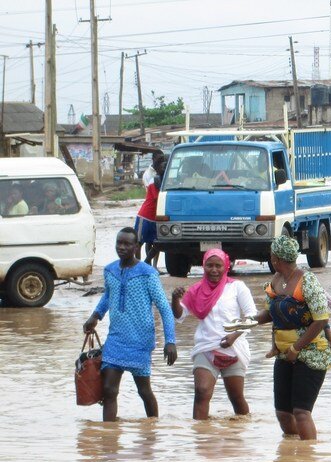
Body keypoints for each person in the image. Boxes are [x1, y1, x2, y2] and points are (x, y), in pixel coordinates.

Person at [83, 227, 177, 422]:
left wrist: (170, 341)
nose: (122, 247)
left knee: (144, 390)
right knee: (109, 390)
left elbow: (164, 308)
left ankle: (152, 429)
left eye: (127, 244)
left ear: (136, 247)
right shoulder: (110, 270)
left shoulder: (148, 274)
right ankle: (109, 435)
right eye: (119, 243)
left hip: (140, 342)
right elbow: (108, 295)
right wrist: (95, 316)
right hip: (116, 339)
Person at [255, 235, 331, 439]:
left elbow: (321, 320)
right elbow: (269, 314)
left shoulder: (307, 281)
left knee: (301, 412)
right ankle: (292, 452)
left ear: (276, 259)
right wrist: (246, 322)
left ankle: (309, 454)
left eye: (272, 255)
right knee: (283, 413)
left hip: (311, 352)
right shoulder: (276, 280)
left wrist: (296, 348)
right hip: (284, 353)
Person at [170, 249, 257, 420]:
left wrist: (234, 336)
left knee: (236, 398)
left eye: (218, 265)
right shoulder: (195, 290)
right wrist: (174, 299)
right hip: (206, 347)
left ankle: (243, 432)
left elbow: (252, 316)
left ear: (226, 266)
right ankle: (200, 433)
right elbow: (179, 316)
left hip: (234, 348)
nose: (214, 270)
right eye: (209, 265)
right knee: (201, 392)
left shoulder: (237, 287)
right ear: (203, 266)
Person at [136, 154, 166, 269]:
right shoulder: (154, 181)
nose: (164, 168)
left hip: (157, 217)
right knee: (139, 243)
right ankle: (138, 267)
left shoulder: (166, 181)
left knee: (158, 243)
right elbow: (158, 198)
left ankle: (149, 264)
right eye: (162, 166)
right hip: (146, 216)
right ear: (157, 168)